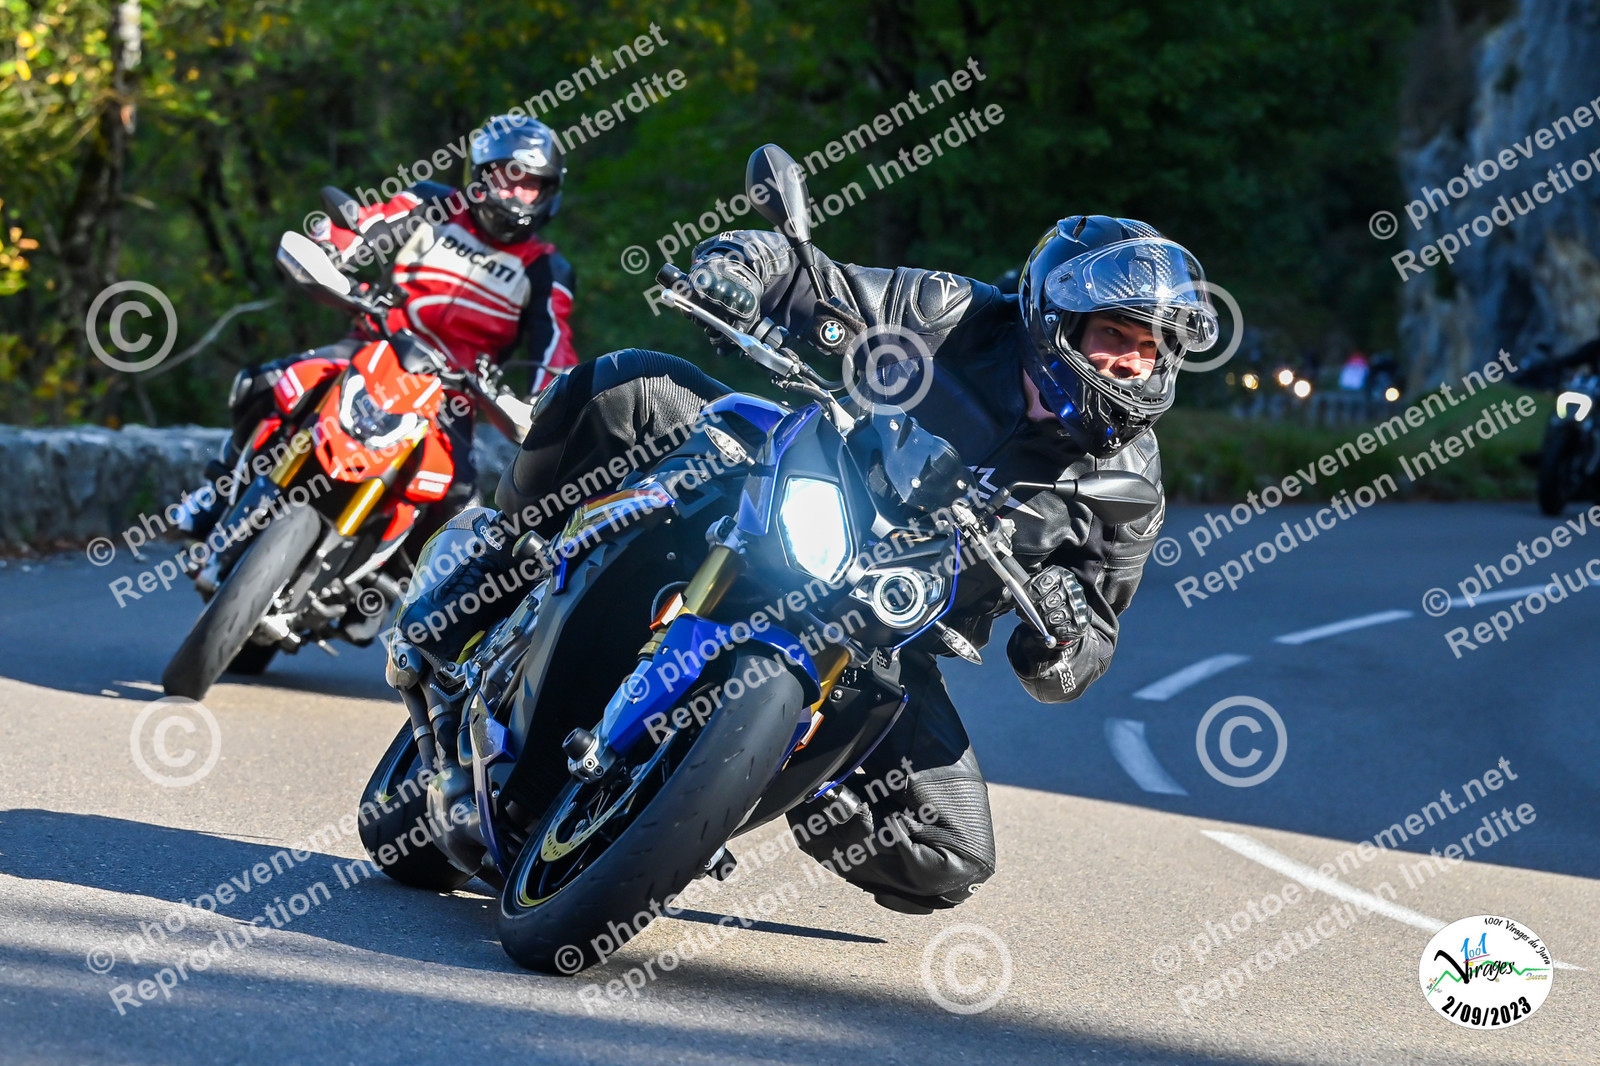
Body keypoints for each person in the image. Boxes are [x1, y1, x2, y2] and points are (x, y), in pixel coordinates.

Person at [419, 214, 1216, 914]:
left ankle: (743, 780)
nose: (1128, 362)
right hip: (796, 500)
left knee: (949, 853)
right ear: (1053, 321)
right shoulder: (956, 316)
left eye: (1147, 349)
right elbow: (807, 276)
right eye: (1114, 335)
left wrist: (1066, 634)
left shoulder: (1128, 488)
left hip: (889, 632)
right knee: (624, 386)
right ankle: (492, 569)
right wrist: (736, 274)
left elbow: (1087, 644)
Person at [180, 113, 578, 537]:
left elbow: (554, 348)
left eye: (530, 183)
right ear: (480, 174)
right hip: (377, 344)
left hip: (454, 394)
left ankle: (411, 576)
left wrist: (546, 403)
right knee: (267, 383)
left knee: (458, 500)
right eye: (507, 177)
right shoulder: (431, 203)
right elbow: (367, 226)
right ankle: (218, 490)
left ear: (548, 192)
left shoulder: (548, 269)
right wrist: (332, 249)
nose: (516, 192)